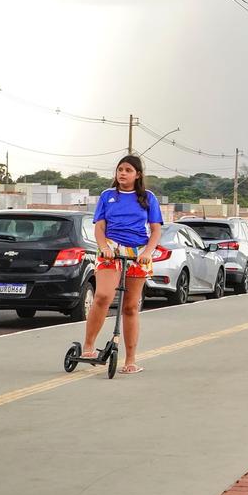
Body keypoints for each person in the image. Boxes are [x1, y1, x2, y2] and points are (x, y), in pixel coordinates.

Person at [82, 155, 163, 375]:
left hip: (138, 252)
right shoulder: (107, 196)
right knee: (103, 297)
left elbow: (156, 229)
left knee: (130, 306)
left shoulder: (147, 197)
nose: (123, 173)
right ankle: (88, 346)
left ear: (137, 174)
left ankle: (130, 359)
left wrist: (148, 252)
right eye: (120, 169)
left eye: (128, 170)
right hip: (111, 249)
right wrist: (104, 247)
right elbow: (99, 226)